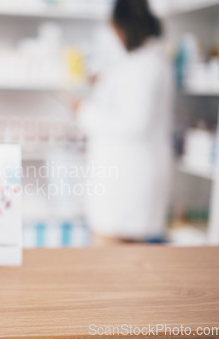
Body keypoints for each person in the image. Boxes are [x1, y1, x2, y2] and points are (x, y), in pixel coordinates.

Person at [73, 0, 173, 245]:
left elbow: (133, 122)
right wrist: (103, 85)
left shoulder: (144, 65)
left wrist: (83, 110)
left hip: (126, 182)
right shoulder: (143, 61)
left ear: (124, 26)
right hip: (129, 177)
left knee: (108, 261)